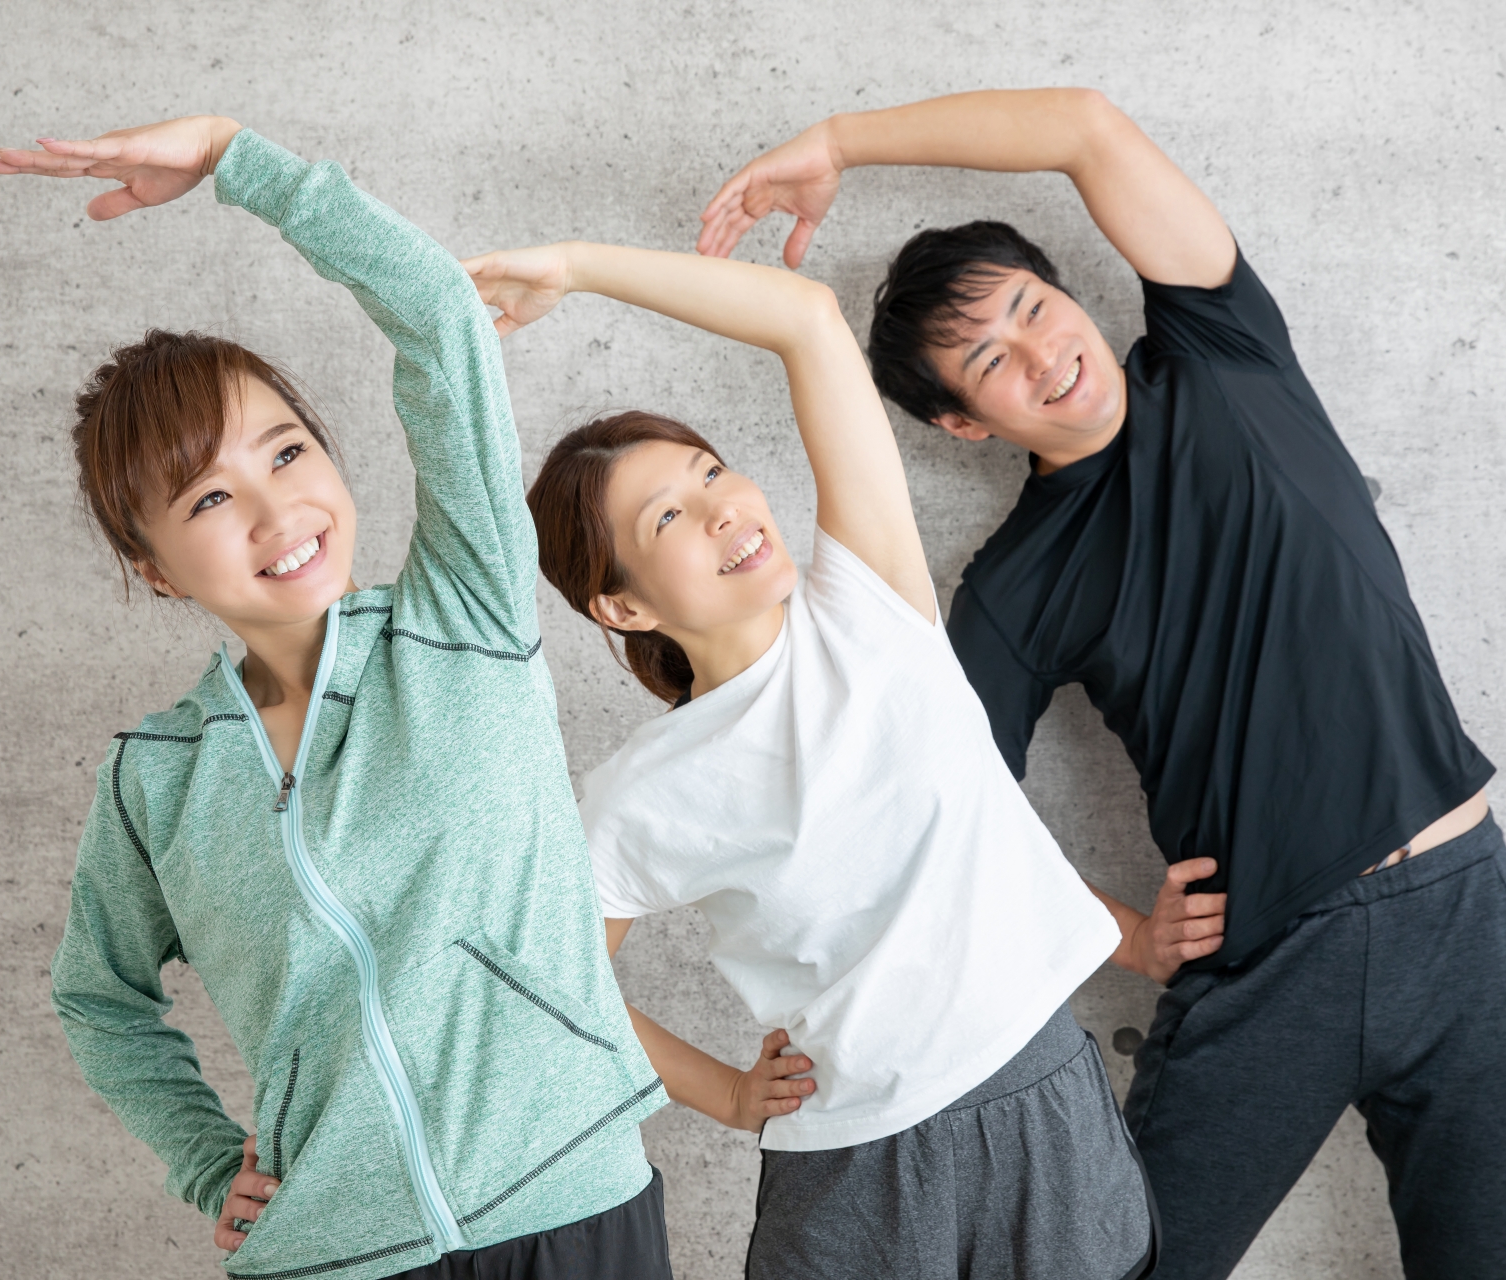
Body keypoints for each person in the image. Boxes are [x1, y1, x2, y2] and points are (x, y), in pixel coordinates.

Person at [699, 88, 1506, 1280]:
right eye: (990, 362)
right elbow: (943, 810)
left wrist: (839, 141)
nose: (1041, 353)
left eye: (1033, 309)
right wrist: (1131, 933)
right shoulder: (1012, 589)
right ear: (963, 424)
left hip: (1463, 913)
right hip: (1267, 960)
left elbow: (1086, 129)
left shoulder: (1221, 350)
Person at [0, 116, 671, 1280]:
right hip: (339, 1254)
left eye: (287, 451)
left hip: (573, 1201)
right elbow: (98, 1000)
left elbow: (440, 312)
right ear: (155, 568)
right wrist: (208, 1161)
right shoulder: (158, 778)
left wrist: (232, 156)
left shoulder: (463, 617)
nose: (274, 511)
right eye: (208, 499)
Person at [464, 237, 1159, 1279]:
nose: (723, 508)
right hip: (859, 1164)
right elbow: (543, 984)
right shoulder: (637, 795)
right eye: (669, 516)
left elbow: (806, 319)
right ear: (623, 607)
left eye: (710, 472)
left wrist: (578, 266)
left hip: (1041, 1098)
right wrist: (725, 1092)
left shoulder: (869, 602)